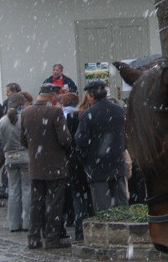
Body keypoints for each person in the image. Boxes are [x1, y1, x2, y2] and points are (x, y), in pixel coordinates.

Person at [20, 83, 72, 250]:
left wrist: (37, 150)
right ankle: (52, 238)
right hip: (55, 165)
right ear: (51, 96)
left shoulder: (26, 113)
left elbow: (23, 140)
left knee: (37, 203)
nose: (57, 98)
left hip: (36, 166)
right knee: (54, 203)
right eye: (56, 95)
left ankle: (33, 238)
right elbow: (65, 139)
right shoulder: (55, 112)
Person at [74, 81, 128, 214]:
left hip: (97, 167)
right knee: (122, 208)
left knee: (103, 210)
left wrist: (85, 160)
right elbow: (127, 136)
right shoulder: (119, 111)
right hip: (117, 164)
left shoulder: (88, 115)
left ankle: (107, 233)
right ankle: (123, 232)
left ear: (91, 96)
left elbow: (81, 141)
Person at [0, 92, 31, 232]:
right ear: (22, 104)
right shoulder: (25, 119)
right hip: (25, 156)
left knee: (13, 190)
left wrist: (5, 151)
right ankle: (27, 222)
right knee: (27, 189)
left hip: (10, 157)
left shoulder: (2, 121)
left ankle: (14, 224)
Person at [65, 92, 94, 241]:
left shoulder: (73, 117)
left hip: (76, 163)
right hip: (91, 164)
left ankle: (80, 231)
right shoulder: (92, 115)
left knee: (79, 199)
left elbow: (69, 141)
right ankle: (91, 231)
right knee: (92, 198)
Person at [0, 82, 21, 201]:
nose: (6, 93)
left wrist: (4, 149)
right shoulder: (24, 116)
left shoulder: (3, 121)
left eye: (8, 91)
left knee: (13, 187)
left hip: (10, 152)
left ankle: (14, 217)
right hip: (22, 152)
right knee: (25, 187)